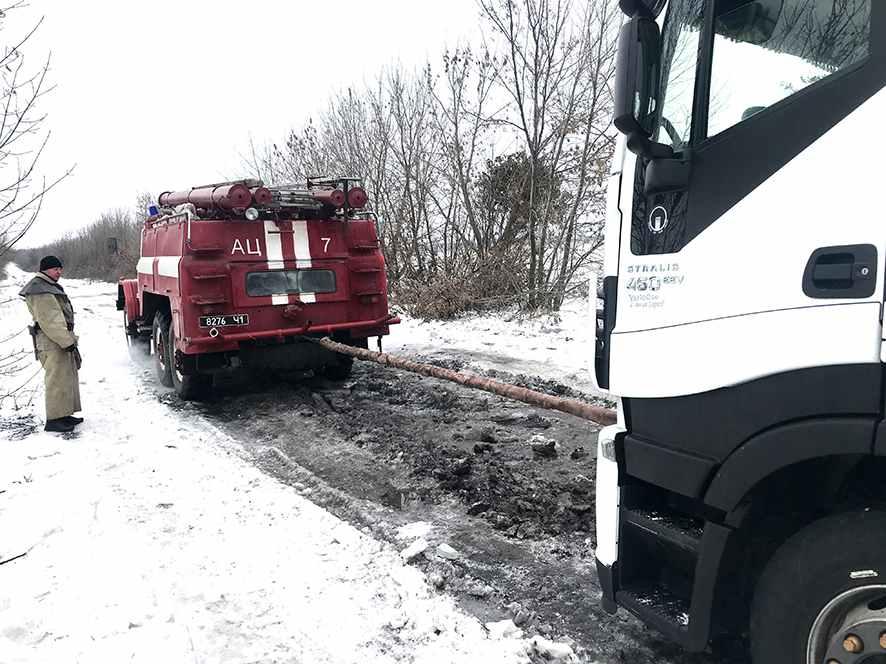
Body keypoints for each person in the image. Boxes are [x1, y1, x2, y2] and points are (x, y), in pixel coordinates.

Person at [19, 256, 83, 433]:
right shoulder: (41, 290)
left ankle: (63, 414)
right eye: (56, 269)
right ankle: (54, 420)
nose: (59, 272)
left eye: (60, 269)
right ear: (45, 270)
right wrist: (67, 341)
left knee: (65, 378)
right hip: (52, 341)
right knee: (56, 379)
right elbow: (51, 321)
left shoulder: (47, 286)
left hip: (56, 340)